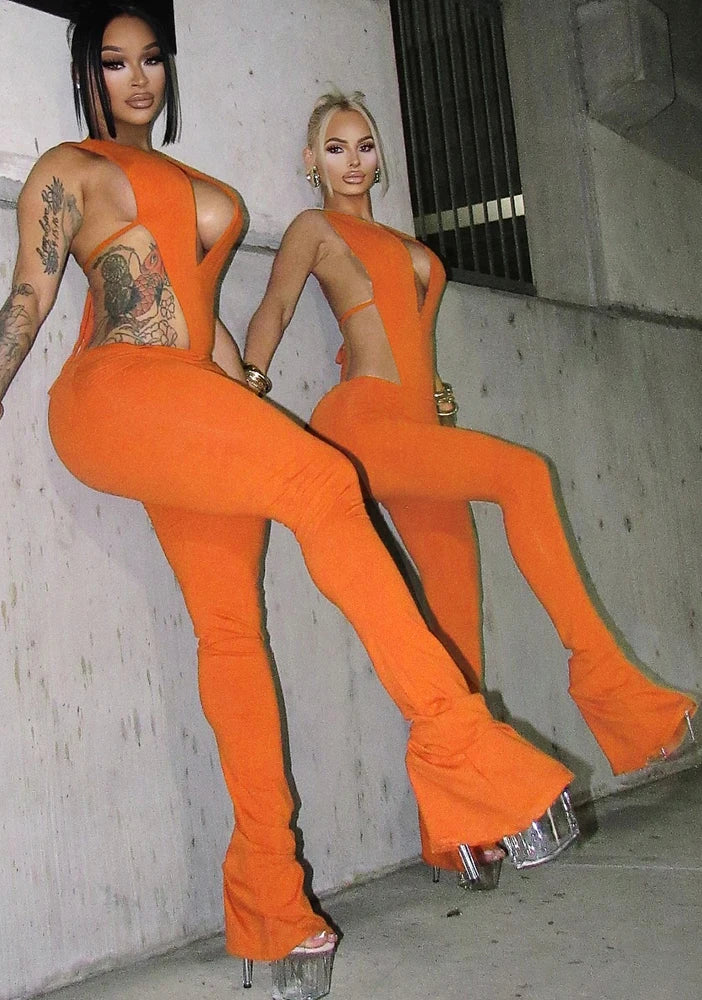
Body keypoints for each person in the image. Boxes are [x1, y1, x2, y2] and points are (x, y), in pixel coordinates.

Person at [0, 16, 579, 996]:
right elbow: (29, 298)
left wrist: (245, 380)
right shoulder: (65, 169)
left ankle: (270, 906)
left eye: (153, 57)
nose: (138, 77)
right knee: (327, 482)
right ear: (88, 72)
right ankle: (471, 758)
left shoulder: (203, 188)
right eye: (115, 62)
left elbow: (201, 329)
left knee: (232, 632)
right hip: (111, 394)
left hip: (197, 399)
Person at [243, 90, 698, 871]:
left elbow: (410, 336)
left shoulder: (411, 245)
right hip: (366, 423)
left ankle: (455, 835)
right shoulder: (316, 231)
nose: (354, 160)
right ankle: (609, 686)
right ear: (310, 162)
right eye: (336, 147)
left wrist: (438, 395)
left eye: (365, 145)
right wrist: (245, 386)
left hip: (420, 428)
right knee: (523, 474)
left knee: (456, 633)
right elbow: (276, 310)